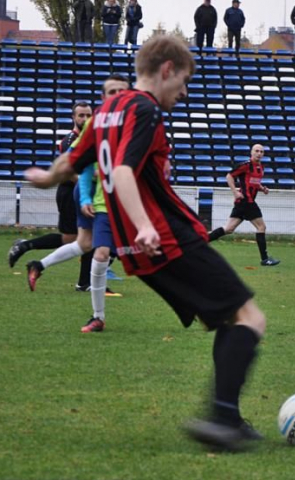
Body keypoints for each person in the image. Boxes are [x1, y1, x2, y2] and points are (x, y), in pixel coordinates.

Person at [26, 35, 268, 451]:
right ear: (168, 70)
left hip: (136, 250)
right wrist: (144, 225)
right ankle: (224, 420)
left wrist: (45, 178)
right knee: (250, 318)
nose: (185, 92)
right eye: (185, 81)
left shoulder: (105, 113)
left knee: (231, 319)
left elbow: (69, 162)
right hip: (165, 237)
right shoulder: (144, 109)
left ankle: (227, 417)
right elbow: (122, 173)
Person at [23, 76, 131, 297]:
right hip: (92, 192)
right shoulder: (95, 127)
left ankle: (39, 265)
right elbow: (77, 161)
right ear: (104, 98)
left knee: (84, 243)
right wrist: (83, 196)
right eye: (113, 92)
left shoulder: (126, 124)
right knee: (109, 241)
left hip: (100, 191)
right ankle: (94, 289)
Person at [9, 102, 92, 280]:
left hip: (77, 192)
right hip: (70, 192)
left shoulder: (87, 139)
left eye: (88, 115)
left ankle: (26, 246)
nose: (85, 119)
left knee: (81, 238)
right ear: (73, 117)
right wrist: (87, 186)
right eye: (81, 115)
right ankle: (84, 282)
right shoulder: (70, 140)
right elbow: (68, 172)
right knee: (76, 238)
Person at [208, 144, 281, 267]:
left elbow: (255, 183)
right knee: (261, 227)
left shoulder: (261, 167)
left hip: (243, 203)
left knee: (229, 229)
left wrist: (263, 189)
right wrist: (235, 192)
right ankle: (265, 259)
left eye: (261, 152)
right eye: (257, 151)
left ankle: (200, 242)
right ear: (251, 152)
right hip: (247, 201)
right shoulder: (245, 165)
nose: (259, 153)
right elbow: (229, 176)